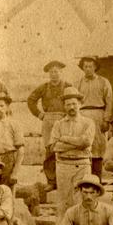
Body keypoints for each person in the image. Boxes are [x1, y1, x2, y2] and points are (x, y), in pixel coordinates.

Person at [49, 87, 95, 225]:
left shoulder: (88, 122)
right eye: (68, 104)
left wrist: (64, 139)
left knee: (83, 199)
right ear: (64, 106)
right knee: (63, 201)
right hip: (63, 166)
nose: (71, 107)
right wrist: (77, 143)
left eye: (74, 103)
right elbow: (53, 147)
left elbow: (86, 142)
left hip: (82, 165)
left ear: (80, 104)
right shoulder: (58, 124)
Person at [27, 60, 71, 191]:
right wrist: (39, 114)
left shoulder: (68, 86)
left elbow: (78, 100)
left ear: (61, 72)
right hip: (49, 119)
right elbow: (31, 100)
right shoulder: (44, 87)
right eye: (51, 72)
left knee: (66, 148)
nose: (54, 74)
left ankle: (65, 180)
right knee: (50, 150)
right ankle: (51, 181)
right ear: (48, 74)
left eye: (56, 71)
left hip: (65, 118)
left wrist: (69, 114)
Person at [74, 56, 113, 176]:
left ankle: (97, 179)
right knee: (84, 145)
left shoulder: (103, 81)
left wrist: (106, 120)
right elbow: (74, 101)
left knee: (98, 148)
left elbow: (109, 101)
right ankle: (85, 178)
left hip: (98, 115)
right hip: (83, 115)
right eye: (85, 66)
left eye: (90, 66)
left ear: (95, 67)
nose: (88, 69)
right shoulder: (78, 83)